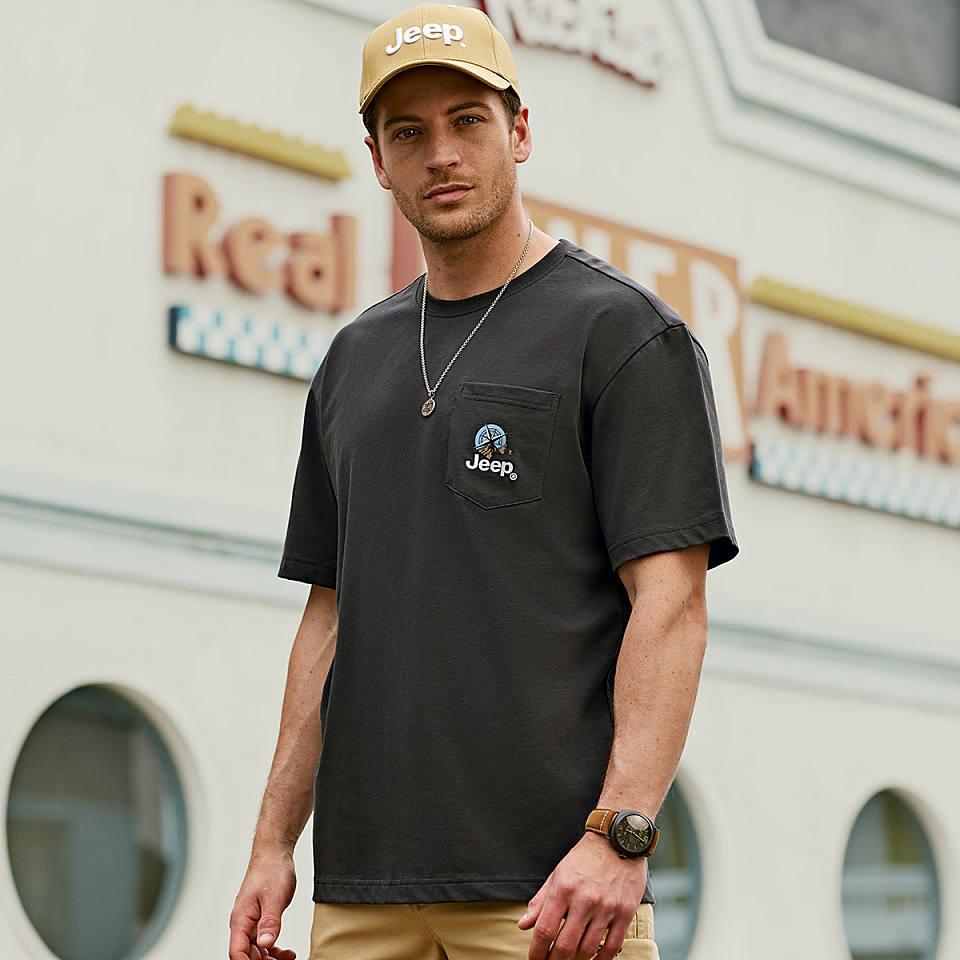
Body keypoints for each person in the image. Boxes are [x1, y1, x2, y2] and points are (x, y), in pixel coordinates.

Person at [228, 4, 738, 960]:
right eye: (407, 133)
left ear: (520, 131)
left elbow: (670, 606)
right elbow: (327, 621)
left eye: (468, 120)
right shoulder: (352, 360)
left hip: (553, 899)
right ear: (378, 161)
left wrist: (621, 835)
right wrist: (271, 844)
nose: (441, 155)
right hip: (362, 894)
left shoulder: (625, 335)